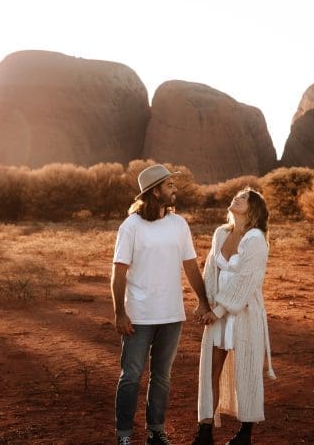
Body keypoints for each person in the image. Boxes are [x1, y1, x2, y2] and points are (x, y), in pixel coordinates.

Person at [112, 164, 211, 445]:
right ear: (155, 192)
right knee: (131, 376)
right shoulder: (130, 226)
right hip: (139, 316)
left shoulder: (179, 224)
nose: (175, 189)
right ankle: (124, 436)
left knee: (162, 377)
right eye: (169, 185)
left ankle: (156, 431)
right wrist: (120, 312)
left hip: (171, 314)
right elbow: (118, 273)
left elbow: (191, 267)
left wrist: (203, 300)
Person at [191, 187, 275, 445]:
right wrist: (203, 303)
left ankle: (244, 435)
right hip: (218, 313)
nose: (237, 198)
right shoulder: (220, 233)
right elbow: (210, 271)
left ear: (253, 209)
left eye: (244, 198)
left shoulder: (256, 239)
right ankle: (205, 431)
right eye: (237, 196)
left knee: (247, 370)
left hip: (245, 313)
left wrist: (216, 311)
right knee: (210, 371)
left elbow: (245, 281)